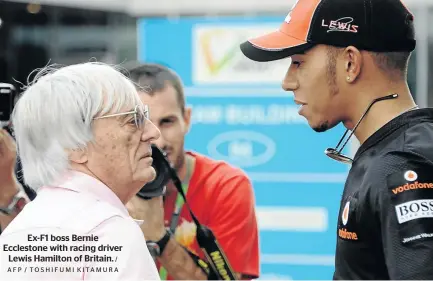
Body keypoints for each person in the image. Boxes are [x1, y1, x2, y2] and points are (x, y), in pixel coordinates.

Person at [240, 0, 433, 279]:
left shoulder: (402, 167)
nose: (287, 81)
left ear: (350, 63)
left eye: (298, 62)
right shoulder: (390, 153)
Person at [0, 62, 162, 280]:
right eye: (133, 119)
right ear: (75, 146)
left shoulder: (17, 233)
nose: (153, 132)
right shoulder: (108, 232)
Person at [124, 63, 260, 280]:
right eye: (141, 124)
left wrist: (159, 236)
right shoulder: (104, 186)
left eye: (167, 122)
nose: (157, 139)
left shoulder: (225, 185)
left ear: (186, 119)